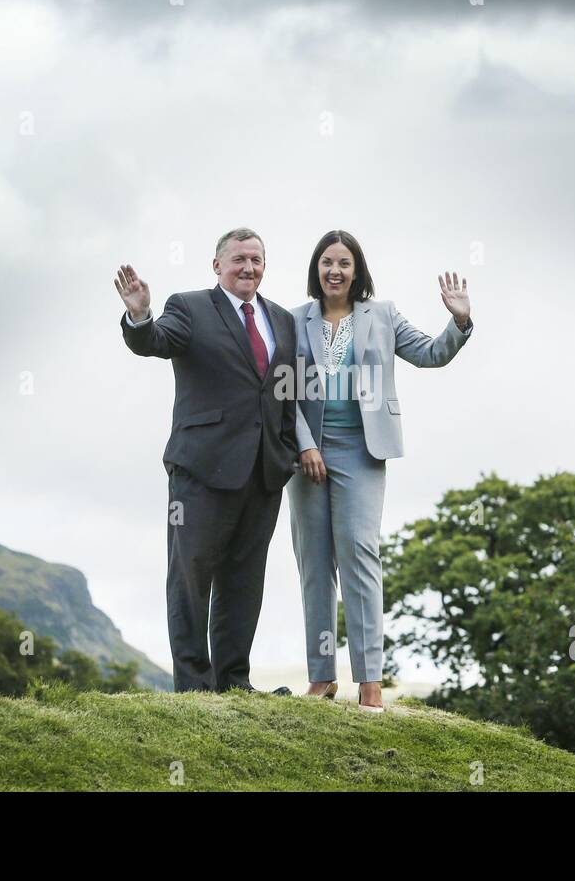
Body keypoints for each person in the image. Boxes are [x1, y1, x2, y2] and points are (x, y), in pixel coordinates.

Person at [289, 230, 473, 712]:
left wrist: (459, 320)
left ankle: (369, 683)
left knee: (360, 561)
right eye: (327, 262)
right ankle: (322, 677)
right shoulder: (292, 320)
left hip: (362, 451)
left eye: (344, 263)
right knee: (314, 568)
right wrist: (305, 445)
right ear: (316, 269)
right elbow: (279, 390)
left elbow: (431, 354)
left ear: (357, 270)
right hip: (306, 454)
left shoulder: (383, 315)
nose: (335, 270)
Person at [116, 227, 297, 694]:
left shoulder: (282, 320)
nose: (248, 267)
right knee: (191, 579)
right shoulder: (190, 307)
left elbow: (286, 392)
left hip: (263, 472)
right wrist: (139, 315)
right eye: (238, 259)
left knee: (244, 580)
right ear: (217, 265)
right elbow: (155, 341)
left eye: (256, 259)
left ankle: (234, 682)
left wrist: (288, 450)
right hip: (201, 469)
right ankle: (195, 685)